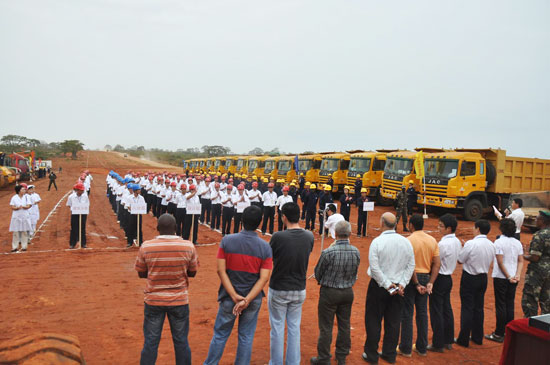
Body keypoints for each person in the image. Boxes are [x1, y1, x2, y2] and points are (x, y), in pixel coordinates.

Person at [204, 206, 273, 365]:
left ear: (241, 220)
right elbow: (264, 278)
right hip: (252, 299)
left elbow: (221, 271)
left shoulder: (227, 241)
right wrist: (246, 300)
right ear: (259, 222)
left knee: (220, 335)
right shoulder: (265, 247)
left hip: (229, 297)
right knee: (246, 336)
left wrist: (234, 296)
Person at [135, 214, 198, 365]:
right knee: (181, 341)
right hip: (179, 300)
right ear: (176, 228)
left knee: (151, 342)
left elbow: (141, 273)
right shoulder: (188, 246)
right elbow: (193, 272)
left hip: (154, 300)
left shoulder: (146, 246)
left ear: (157, 229)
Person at [363, 213, 415, 364]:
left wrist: (387, 284)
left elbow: (374, 267)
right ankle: (389, 354)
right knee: (393, 322)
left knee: (373, 320)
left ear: (382, 222)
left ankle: (372, 355)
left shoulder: (377, 242)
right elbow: (411, 265)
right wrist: (402, 284)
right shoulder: (406, 242)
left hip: (379, 287)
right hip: (398, 288)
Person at [268, 202, 314, 365]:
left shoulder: (278, 236)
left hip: (279, 287)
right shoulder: (309, 236)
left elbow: (270, 257)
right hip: (299, 288)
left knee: (277, 328)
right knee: (294, 328)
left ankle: (276, 362)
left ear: (284, 217)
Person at [311, 221, 359, 365]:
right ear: (350, 234)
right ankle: (341, 356)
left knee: (326, 326)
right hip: (347, 291)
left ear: (335, 234)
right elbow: (355, 272)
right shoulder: (355, 251)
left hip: (329, 292)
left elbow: (317, 273)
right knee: (344, 325)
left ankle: (324, 358)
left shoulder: (328, 252)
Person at [398, 214, 440, 357]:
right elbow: (437, 264)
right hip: (426, 276)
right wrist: (430, 283)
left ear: (411, 226)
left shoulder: (408, 241)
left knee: (407, 314)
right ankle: (422, 348)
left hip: (412, 278)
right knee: (422, 313)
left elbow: (407, 264)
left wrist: (415, 282)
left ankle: (406, 348)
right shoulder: (432, 240)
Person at [455, 219, 495, 347]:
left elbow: (460, 260)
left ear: (477, 229)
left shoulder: (471, 244)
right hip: (483, 278)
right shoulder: (491, 244)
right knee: (479, 308)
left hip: (470, 277)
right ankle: (478, 337)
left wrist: (465, 247)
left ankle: (464, 339)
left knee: (467, 307)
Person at [485, 218, 524, 343]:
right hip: (514, 277)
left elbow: (500, 262)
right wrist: (516, 275)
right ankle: (509, 332)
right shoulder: (517, 243)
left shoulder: (499, 242)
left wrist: (508, 277)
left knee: (501, 305)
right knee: (509, 304)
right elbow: (521, 261)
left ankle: (499, 333)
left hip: (502, 278)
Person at [428, 213, 462, 352]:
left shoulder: (442, 244)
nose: (438, 228)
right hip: (448, 278)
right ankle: (448, 340)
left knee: (437, 311)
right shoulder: (457, 241)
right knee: (446, 309)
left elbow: (435, 263)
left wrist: (431, 281)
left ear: (449, 228)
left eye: (441, 226)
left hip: (440, 277)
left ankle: (438, 343)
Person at [521, 210, 550, 317]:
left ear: (543, 221)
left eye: (537, 219)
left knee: (530, 300)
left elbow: (535, 257)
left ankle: (530, 327)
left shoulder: (539, 235)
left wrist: (525, 255)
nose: (536, 220)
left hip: (537, 272)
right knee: (547, 301)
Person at [10, 184, 32, 252]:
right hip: (16, 216)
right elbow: (12, 206)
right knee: (16, 232)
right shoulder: (14, 197)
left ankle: (24, 246)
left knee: (24, 231)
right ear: (19, 191)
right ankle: (14, 247)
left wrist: (25, 207)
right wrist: (17, 208)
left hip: (24, 215)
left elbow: (29, 205)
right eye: (23, 189)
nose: (24, 190)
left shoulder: (26, 197)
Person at [67, 183, 89, 249]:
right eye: (81, 190)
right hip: (74, 214)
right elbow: (69, 205)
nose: (82, 191)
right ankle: (72, 244)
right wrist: (75, 209)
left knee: (82, 228)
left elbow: (87, 204)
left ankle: (83, 243)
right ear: (77, 190)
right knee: (74, 228)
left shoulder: (85, 196)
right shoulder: (71, 197)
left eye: (82, 190)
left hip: (83, 214)